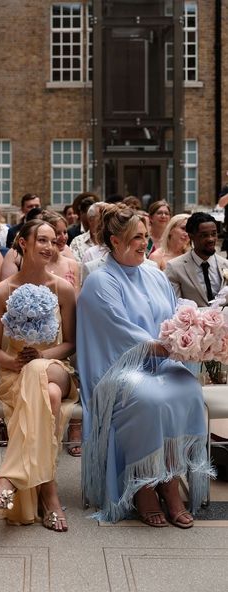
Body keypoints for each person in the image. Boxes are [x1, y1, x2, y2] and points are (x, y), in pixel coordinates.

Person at [77, 204, 211, 528]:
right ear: (114, 240)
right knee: (150, 399)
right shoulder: (100, 281)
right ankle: (145, 483)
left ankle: (171, 476)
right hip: (118, 369)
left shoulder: (153, 273)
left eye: (144, 236)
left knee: (189, 390)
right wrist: (167, 346)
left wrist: (193, 333)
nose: (144, 243)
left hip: (161, 362)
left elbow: (171, 314)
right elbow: (121, 334)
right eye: (136, 237)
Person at [0, 220, 78, 531]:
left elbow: (70, 344)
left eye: (53, 241)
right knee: (49, 396)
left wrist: (41, 357)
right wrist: (14, 363)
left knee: (43, 374)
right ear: (22, 243)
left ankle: (8, 477)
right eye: (41, 239)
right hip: (17, 375)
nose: (49, 247)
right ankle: (49, 493)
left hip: (56, 368)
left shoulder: (62, 289)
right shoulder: (2, 291)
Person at [165, 212, 228, 306]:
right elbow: (174, 307)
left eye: (214, 234)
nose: (211, 239)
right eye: (204, 235)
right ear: (191, 236)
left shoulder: (225, 264)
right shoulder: (174, 268)